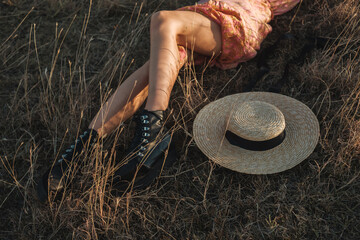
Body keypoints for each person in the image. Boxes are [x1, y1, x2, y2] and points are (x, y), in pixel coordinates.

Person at [38, 0, 301, 197]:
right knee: (154, 69)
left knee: (163, 20)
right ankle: (82, 147)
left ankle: (152, 128)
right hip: (202, 17)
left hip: (236, 23)